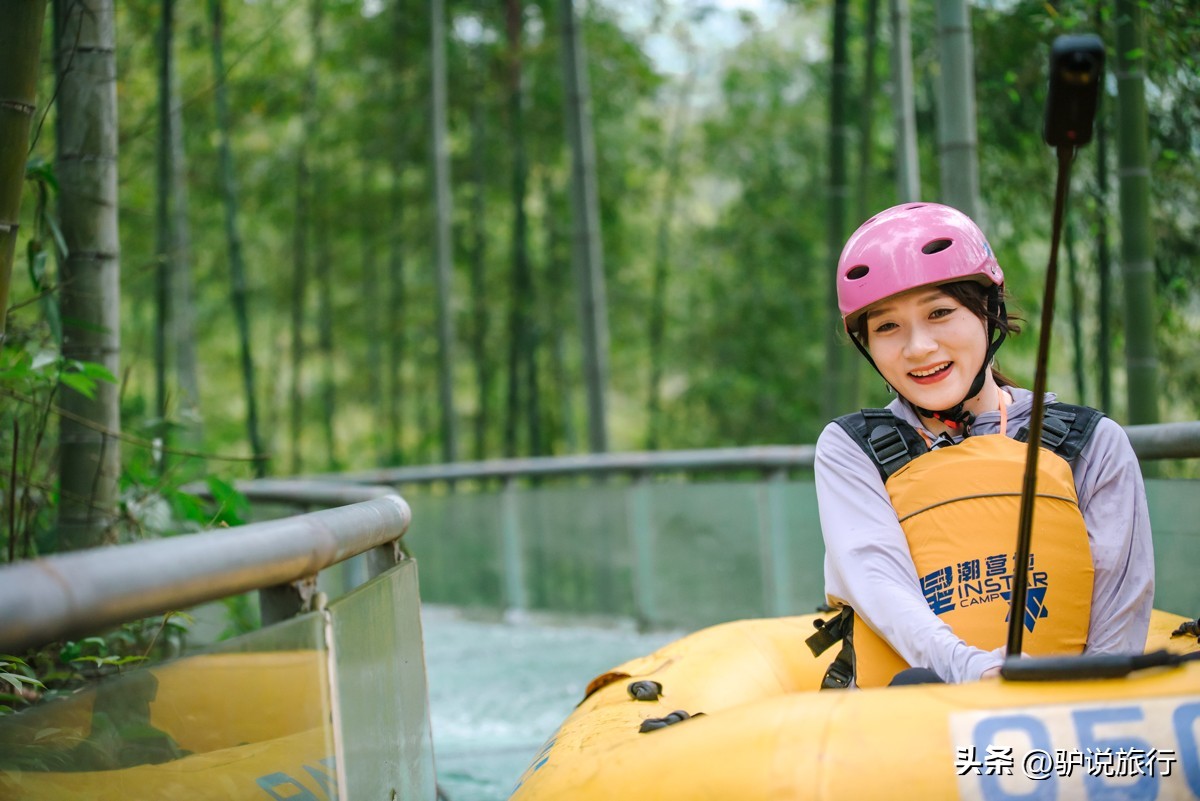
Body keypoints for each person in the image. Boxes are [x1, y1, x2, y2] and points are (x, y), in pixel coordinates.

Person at [812, 202, 1154, 687]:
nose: (918, 347)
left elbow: (1119, 611)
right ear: (867, 343)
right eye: (887, 326)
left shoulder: (1093, 443)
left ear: (988, 312)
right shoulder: (850, 448)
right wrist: (975, 670)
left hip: (1065, 716)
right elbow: (877, 578)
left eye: (940, 312)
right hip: (910, 713)